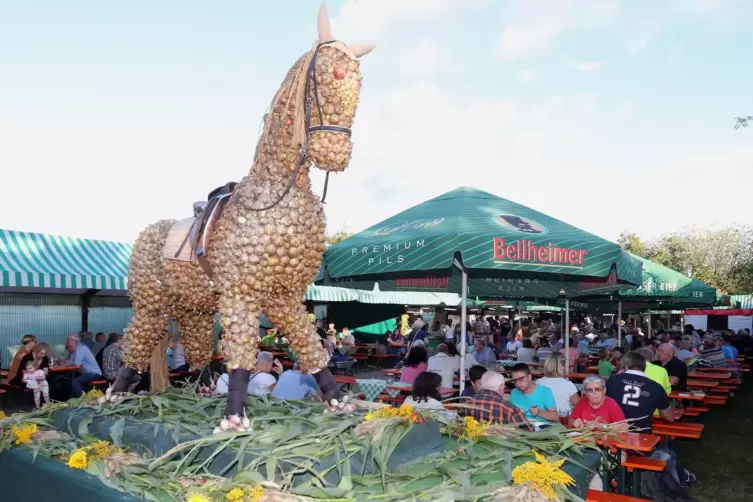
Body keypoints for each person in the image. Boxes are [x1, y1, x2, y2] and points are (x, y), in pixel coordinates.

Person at [606, 352, 674, 432]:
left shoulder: (612, 381)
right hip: (642, 434)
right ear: (645, 367)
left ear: (626, 366)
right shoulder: (656, 387)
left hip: (614, 432)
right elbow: (669, 417)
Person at [460, 371, 530, 429]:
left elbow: (459, 425)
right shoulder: (509, 408)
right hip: (499, 444)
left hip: (472, 442)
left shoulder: (467, 402)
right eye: (504, 386)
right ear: (500, 387)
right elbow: (529, 431)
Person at [65, 333, 103, 398]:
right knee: (72, 381)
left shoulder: (81, 348)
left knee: (76, 381)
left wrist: (66, 364)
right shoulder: (76, 350)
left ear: (73, 342)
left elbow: (76, 365)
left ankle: (84, 400)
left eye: (68, 341)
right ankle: (72, 400)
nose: (66, 343)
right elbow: (70, 362)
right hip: (87, 373)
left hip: (94, 373)